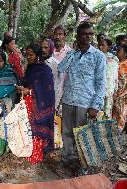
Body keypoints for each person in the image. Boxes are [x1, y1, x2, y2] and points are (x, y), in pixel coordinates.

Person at [58, 22, 106, 169]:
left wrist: (95, 106)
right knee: (66, 132)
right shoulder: (72, 53)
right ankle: (68, 160)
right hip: (68, 100)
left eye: (91, 34)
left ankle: (83, 165)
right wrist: (72, 53)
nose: (89, 36)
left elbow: (101, 83)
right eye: (85, 34)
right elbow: (61, 68)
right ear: (78, 36)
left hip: (85, 102)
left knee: (82, 135)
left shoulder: (98, 56)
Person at [16, 43, 55, 156]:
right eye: (27, 55)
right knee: (28, 129)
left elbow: (48, 90)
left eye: (31, 55)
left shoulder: (45, 70)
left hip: (41, 105)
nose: (28, 57)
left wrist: (30, 91)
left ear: (37, 55)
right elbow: (28, 82)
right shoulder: (30, 68)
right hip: (28, 103)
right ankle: (30, 153)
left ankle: (39, 154)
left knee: (39, 132)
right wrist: (22, 88)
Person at [98, 38, 119, 119]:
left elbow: (115, 76)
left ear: (109, 47)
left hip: (109, 90)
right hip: (97, 90)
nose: (100, 47)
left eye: (103, 45)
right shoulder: (95, 57)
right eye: (99, 45)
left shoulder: (114, 59)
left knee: (107, 112)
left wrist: (115, 88)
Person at [113, 45, 127, 131]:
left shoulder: (123, 65)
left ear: (125, 54)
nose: (116, 52)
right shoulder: (117, 64)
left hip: (122, 97)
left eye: (119, 51)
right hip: (117, 97)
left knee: (121, 117)